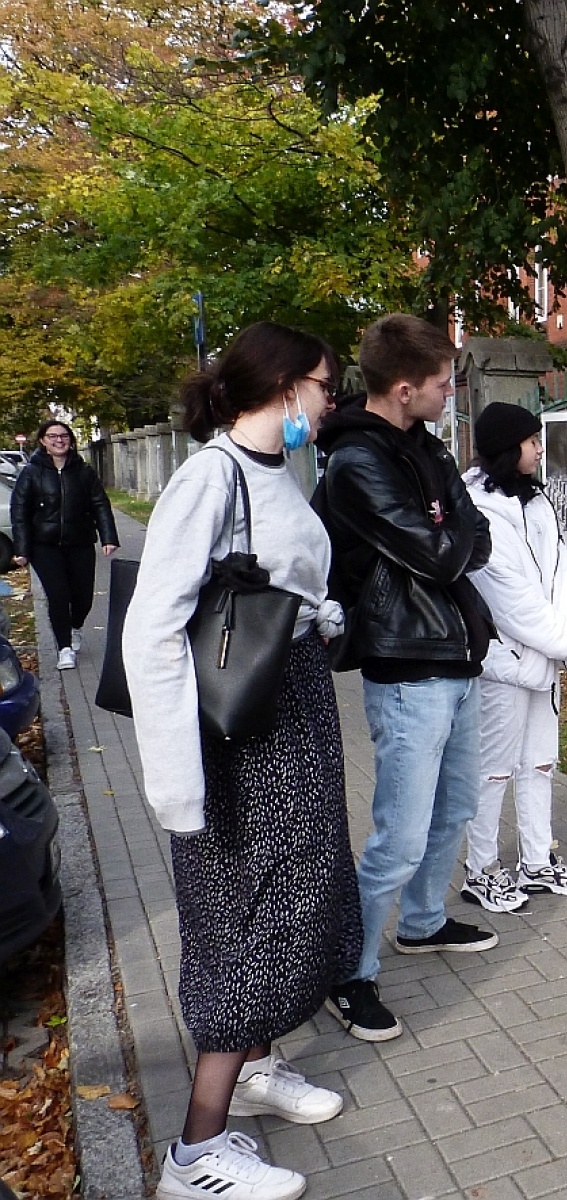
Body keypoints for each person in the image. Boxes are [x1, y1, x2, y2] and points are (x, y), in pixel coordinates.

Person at [123, 322, 361, 1200]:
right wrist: (176, 782)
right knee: (253, 917)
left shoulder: (276, 470)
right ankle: (194, 1153)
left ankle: (255, 1071)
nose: (329, 402)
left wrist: (318, 617)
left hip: (288, 710)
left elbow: (272, 589)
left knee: (304, 886)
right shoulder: (209, 478)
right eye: (325, 386)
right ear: (287, 385)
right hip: (238, 742)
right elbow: (153, 630)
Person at [312, 313, 496, 1043]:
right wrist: (446, 530)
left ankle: (420, 924)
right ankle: (349, 974)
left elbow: (472, 534)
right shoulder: (357, 462)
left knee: (455, 810)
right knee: (400, 835)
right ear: (404, 386)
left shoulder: (426, 447)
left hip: (456, 656)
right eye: (446, 383)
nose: (453, 393)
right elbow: (446, 555)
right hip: (406, 667)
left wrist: (446, 528)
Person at [460, 403, 567, 912]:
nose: (539, 448)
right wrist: (563, 643)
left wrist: (565, 636)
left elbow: (564, 574)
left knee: (540, 762)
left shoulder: (537, 501)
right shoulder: (478, 507)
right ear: (506, 447)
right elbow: (508, 598)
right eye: (531, 440)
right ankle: (482, 869)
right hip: (506, 664)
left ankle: (537, 861)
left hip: (544, 658)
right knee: (493, 769)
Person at [10, 420, 120, 669]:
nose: (59, 440)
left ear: (70, 440)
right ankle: (64, 649)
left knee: (83, 597)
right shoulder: (31, 472)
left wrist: (109, 537)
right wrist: (22, 550)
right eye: (53, 436)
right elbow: (19, 512)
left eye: (64, 436)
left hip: (79, 542)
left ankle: (75, 626)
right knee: (58, 596)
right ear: (43, 441)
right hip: (44, 546)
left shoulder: (83, 471)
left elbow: (100, 503)